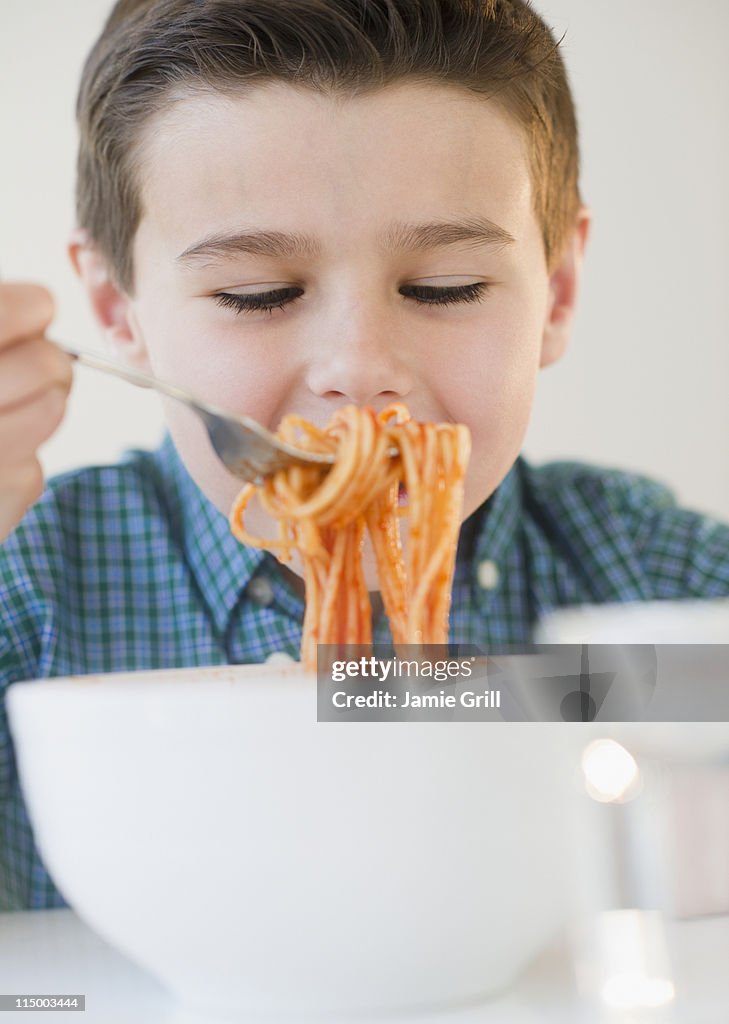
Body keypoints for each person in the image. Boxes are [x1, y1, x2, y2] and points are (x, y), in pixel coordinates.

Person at [1, 0, 728, 910]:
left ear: (558, 291)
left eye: (443, 287)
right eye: (257, 294)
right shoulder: (26, 584)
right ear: (118, 311)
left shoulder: (657, 580)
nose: (359, 369)